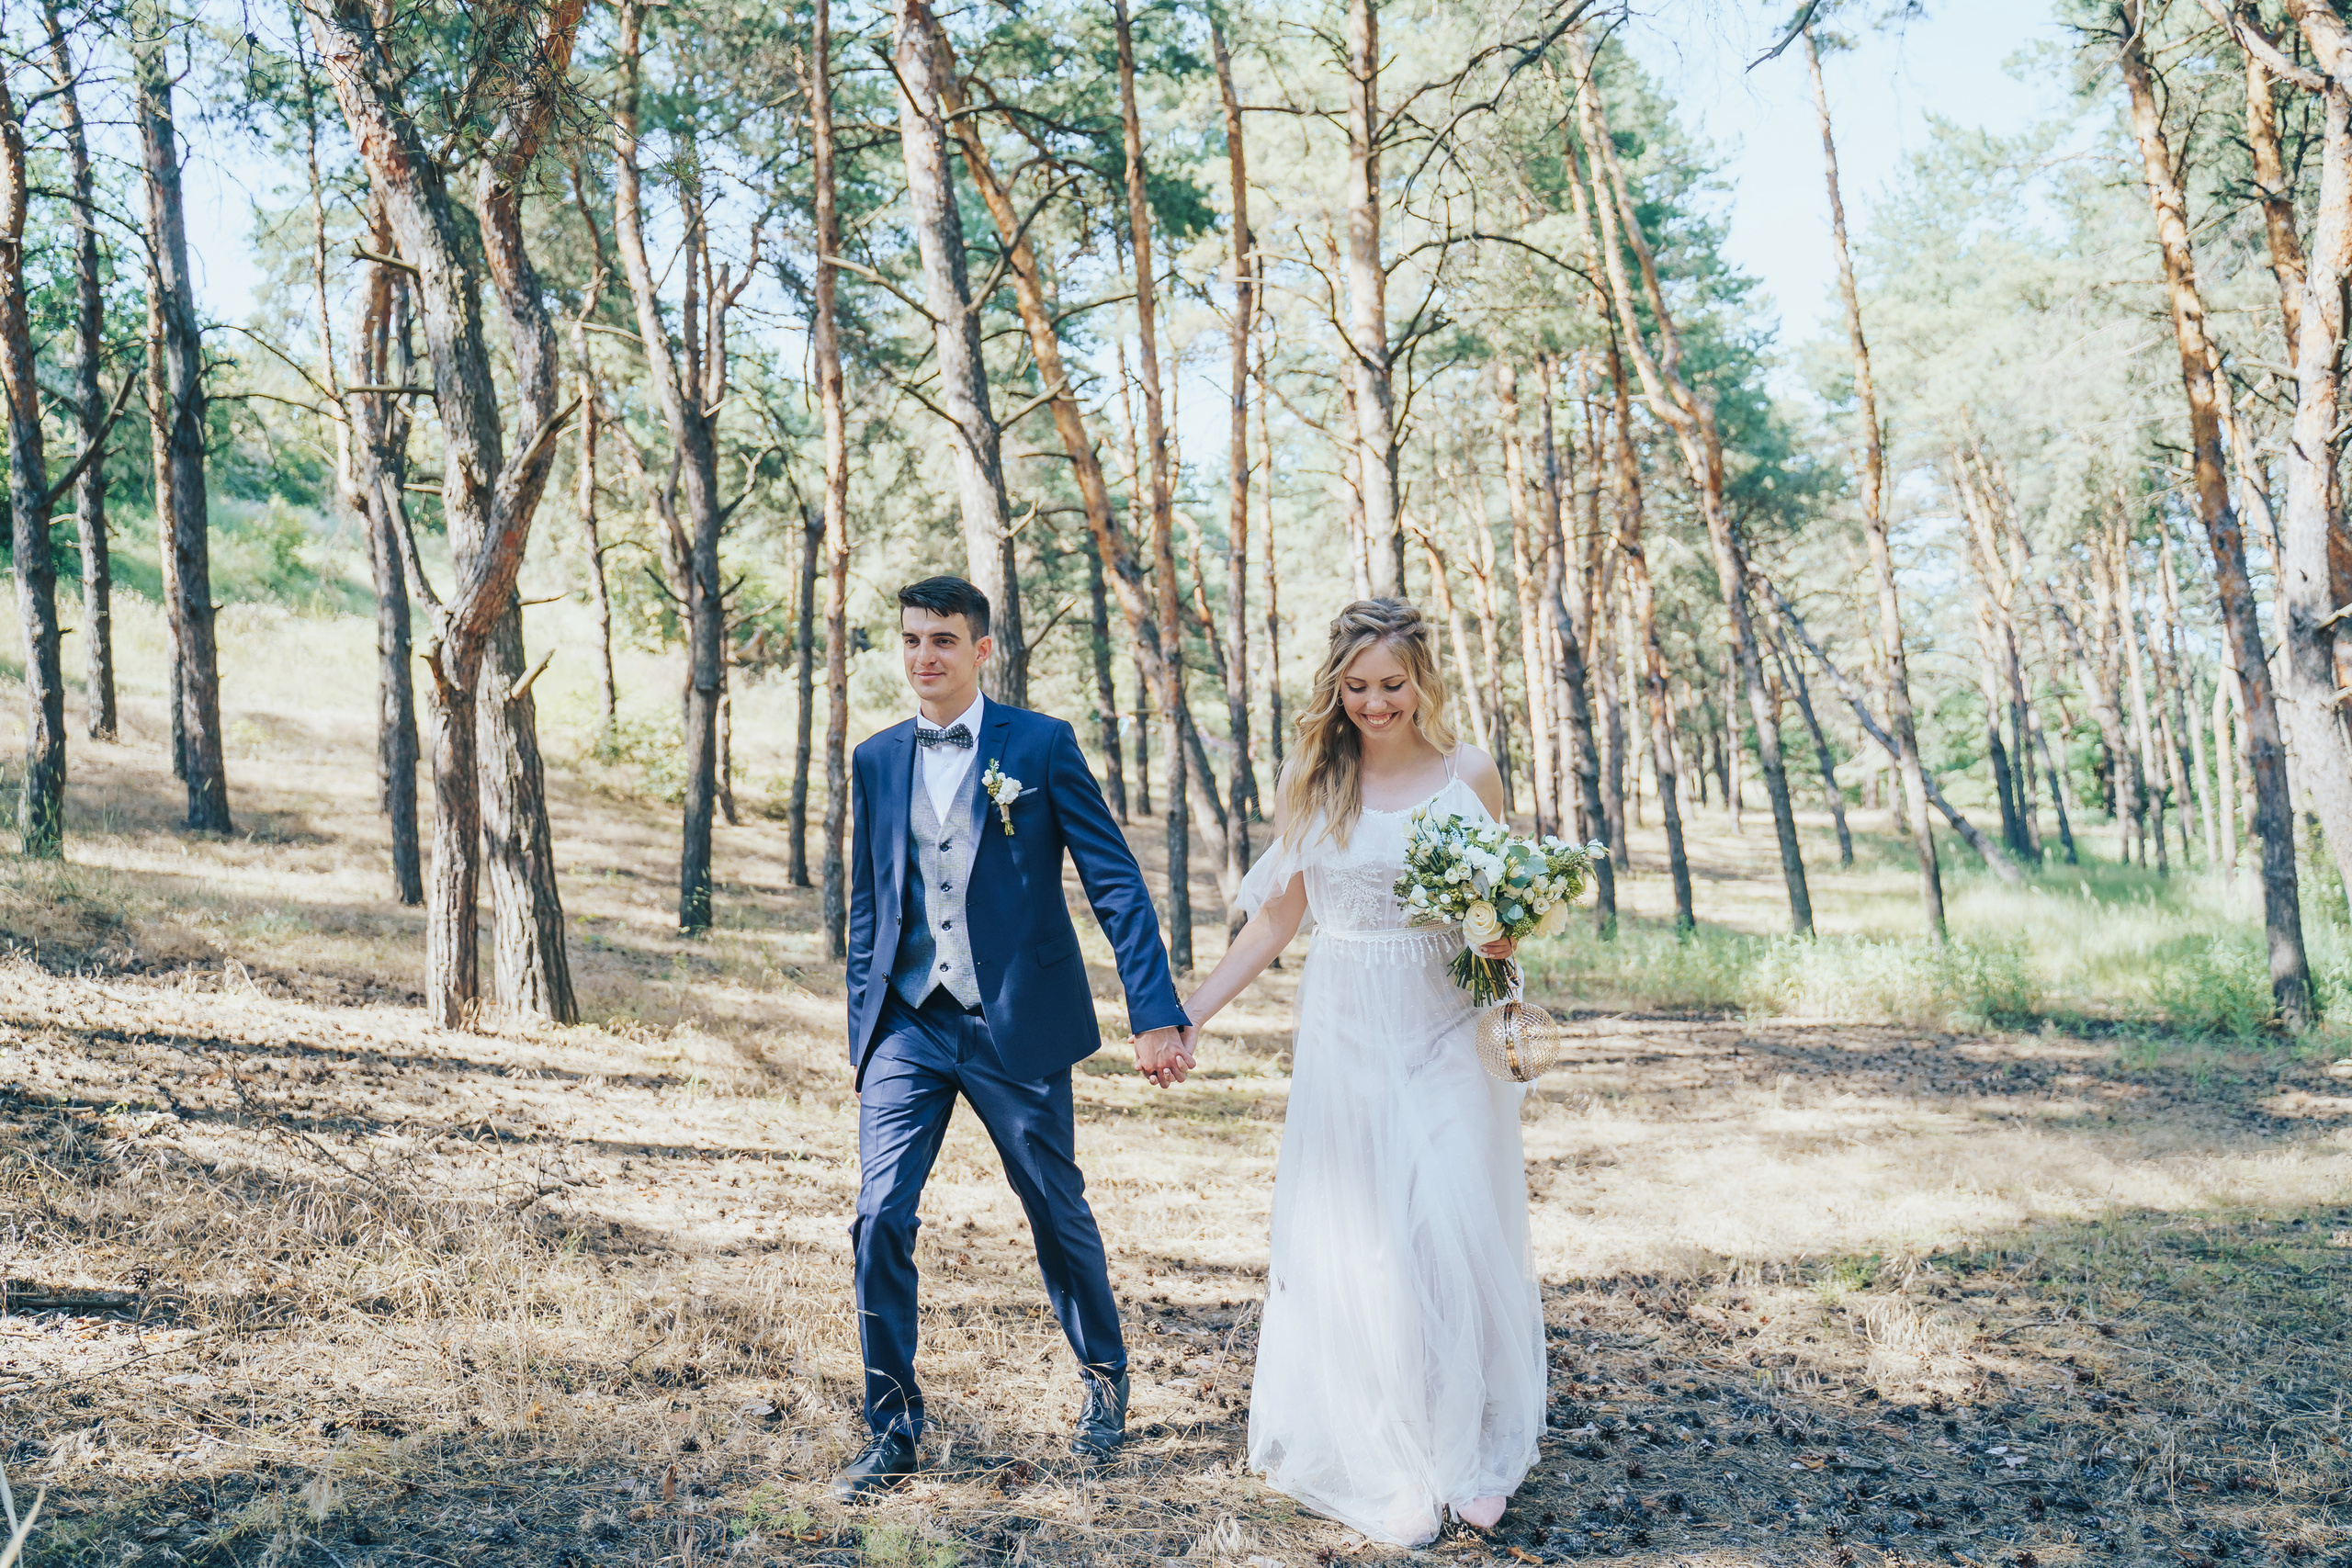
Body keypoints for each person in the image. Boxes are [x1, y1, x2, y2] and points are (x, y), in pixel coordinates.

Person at [1178, 598, 1544, 1546]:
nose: (1375, 704)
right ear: (1333, 689)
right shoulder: (1317, 780)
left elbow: (1494, 917)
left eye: (1391, 685)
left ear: (1422, 681)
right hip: (1347, 1032)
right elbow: (1275, 921)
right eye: (1357, 687)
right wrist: (1189, 1014)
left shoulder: (1470, 774)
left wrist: (1506, 954)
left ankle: (1464, 1451)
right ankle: (1396, 1466)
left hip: (1448, 1027)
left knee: (1450, 1232)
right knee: (1375, 1248)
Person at [831, 576, 1197, 1501]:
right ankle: (892, 1426)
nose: (925, 657)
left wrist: (1152, 1010)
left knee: (1052, 1206)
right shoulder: (875, 759)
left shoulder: (1039, 745)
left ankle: (1103, 1382)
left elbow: (1113, 880)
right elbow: (869, 907)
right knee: (879, 1214)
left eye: (944, 641)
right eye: (912, 640)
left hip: (1014, 1022)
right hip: (908, 1024)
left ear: (982, 649)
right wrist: (862, 1038)